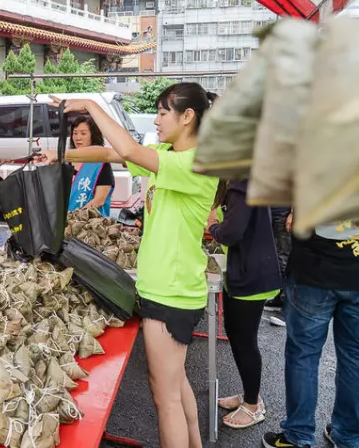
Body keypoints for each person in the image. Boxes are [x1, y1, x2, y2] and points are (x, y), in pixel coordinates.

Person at [40, 84, 218, 448]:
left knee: (163, 397)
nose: (156, 119)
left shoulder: (195, 163)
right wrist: (60, 156)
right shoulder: (166, 152)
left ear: (188, 117)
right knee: (175, 382)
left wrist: (89, 102)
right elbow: (110, 152)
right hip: (163, 286)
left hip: (173, 292)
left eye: (163, 112)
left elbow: (128, 148)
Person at [263, 217, 359, 448]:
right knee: (354, 357)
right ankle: (348, 435)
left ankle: (298, 435)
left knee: (303, 356)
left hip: (314, 269)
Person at [206, 180, 281, 429]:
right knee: (237, 335)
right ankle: (251, 394)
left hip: (252, 275)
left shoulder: (241, 185)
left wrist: (213, 227)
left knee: (244, 340)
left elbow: (231, 233)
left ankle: (252, 406)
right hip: (244, 271)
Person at [67, 115, 114, 216]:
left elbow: (99, 200)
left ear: (93, 135)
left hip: (90, 225)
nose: (78, 137)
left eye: (83, 133)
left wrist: (75, 217)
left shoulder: (101, 164)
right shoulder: (67, 162)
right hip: (64, 223)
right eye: (74, 133)